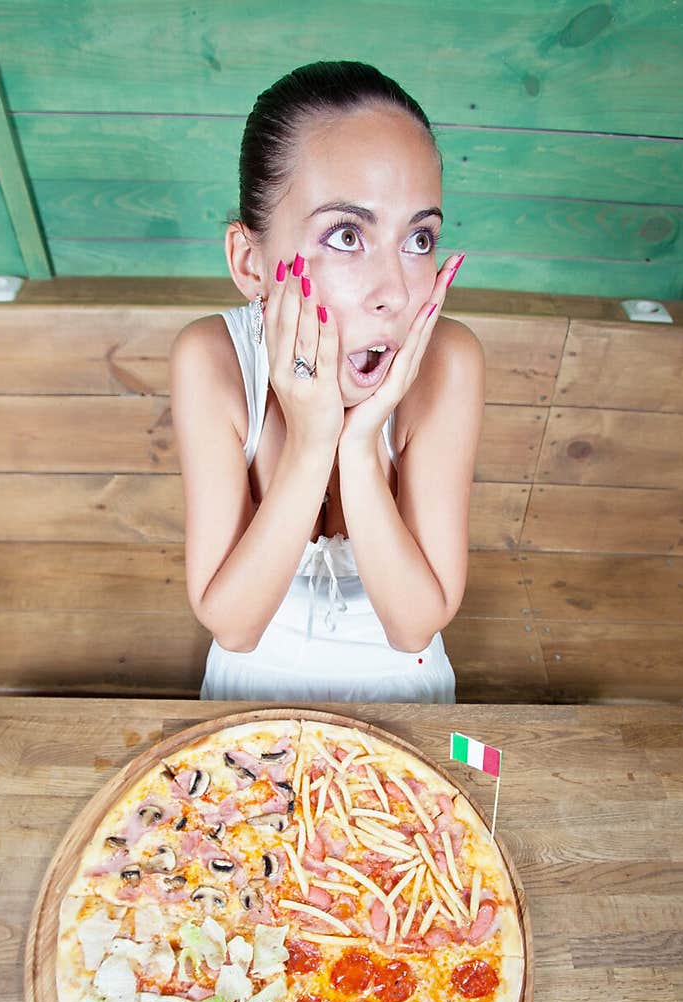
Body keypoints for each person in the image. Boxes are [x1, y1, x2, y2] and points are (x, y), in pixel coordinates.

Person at [169, 60, 485, 703]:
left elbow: (414, 626)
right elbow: (232, 626)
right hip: (248, 692)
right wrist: (313, 441)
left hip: (409, 689)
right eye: (346, 235)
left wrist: (360, 441)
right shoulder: (211, 359)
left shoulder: (450, 361)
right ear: (249, 262)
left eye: (419, 238)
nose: (395, 292)